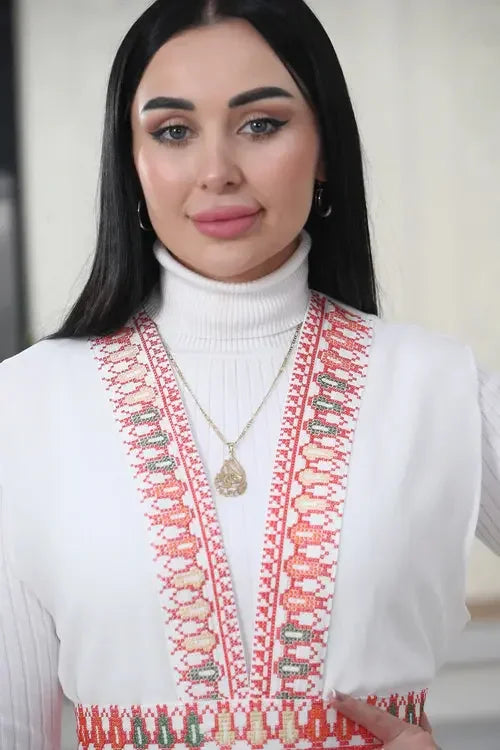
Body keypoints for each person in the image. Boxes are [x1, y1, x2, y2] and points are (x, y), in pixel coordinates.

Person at [0, 1, 498, 748]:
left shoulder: (440, 389)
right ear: (131, 161)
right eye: (173, 131)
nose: (217, 172)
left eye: (261, 124)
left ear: (325, 147)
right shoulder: (25, 405)